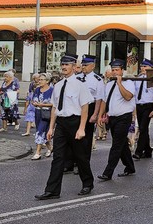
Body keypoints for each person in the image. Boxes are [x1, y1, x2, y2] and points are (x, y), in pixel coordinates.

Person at [35, 54, 94, 200]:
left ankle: (87, 183)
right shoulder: (58, 85)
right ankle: (52, 190)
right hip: (61, 123)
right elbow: (55, 108)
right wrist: (51, 128)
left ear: (74, 67)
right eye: (62, 64)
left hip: (75, 122)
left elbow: (85, 108)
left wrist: (81, 128)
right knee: (58, 157)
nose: (64, 67)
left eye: (67, 65)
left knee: (80, 156)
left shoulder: (80, 85)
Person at [97, 58, 136, 180]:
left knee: (116, 145)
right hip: (113, 118)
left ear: (122, 70)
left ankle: (108, 172)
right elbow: (104, 101)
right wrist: (100, 115)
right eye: (113, 70)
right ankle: (129, 167)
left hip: (124, 117)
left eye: (117, 70)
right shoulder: (108, 84)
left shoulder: (128, 82)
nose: (114, 72)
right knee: (122, 143)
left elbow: (128, 97)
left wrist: (119, 84)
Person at [133, 59, 153, 160]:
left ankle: (138, 151)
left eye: (145, 66)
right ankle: (148, 150)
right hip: (139, 105)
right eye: (142, 66)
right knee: (144, 129)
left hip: (148, 105)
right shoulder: (138, 79)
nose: (143, 68)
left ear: (150, 67)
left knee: (142, 127)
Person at [31, 73, 53, 160]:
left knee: (40, 131)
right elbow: (33, 100)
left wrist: (43, 104)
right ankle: (50, 148)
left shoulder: (52, 90)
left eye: (41, 80)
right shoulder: (37, 90)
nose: (39, 81)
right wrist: (35, 103)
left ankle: (38, 152)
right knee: (43, 132)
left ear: (47, 81)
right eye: (39, 80)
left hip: (47, 114)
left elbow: (55, 104)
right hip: (38, 113)